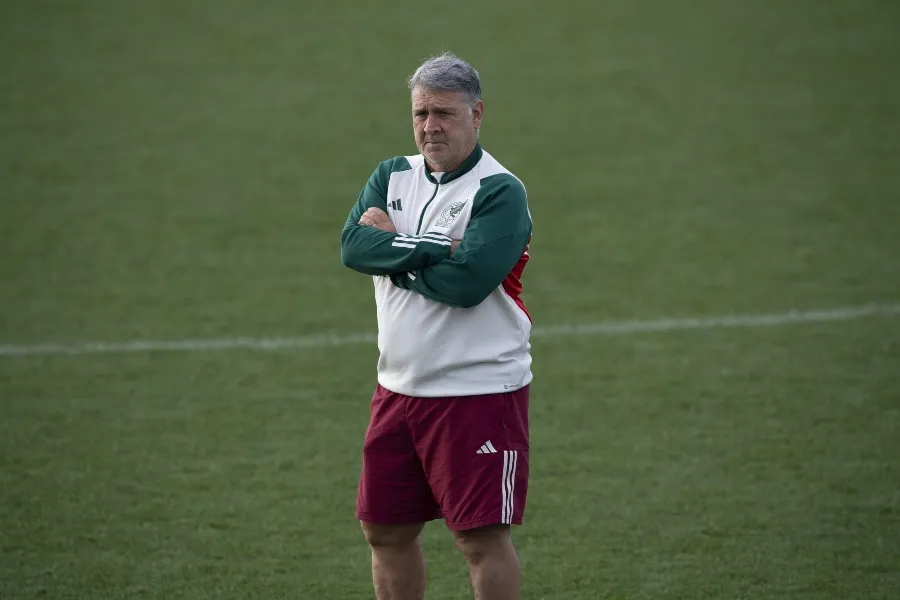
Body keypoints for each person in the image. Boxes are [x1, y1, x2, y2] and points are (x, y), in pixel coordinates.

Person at [340, 51, 533, 600]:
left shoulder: (499, 192)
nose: (430, 126)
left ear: (477, 114)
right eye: (421, 112)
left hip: (475, 391)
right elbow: (354, 247)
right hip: (397, 388)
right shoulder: (391, 174)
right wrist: (433, 249)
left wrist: (393, 249)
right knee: (384, 529)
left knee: (479, 539)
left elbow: (467, 285)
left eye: (445, 113)